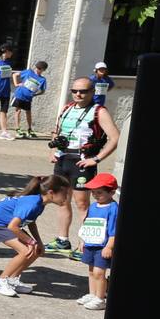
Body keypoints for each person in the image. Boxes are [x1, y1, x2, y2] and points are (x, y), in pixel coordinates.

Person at [44, 76, 120, 258]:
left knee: (82, 204)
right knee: (61, 201)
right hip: (63, 159)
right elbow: (57, 131)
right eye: (75, 91)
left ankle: (84, 245)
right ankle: (63, 240)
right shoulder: (67, 108)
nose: (78, 94)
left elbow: (115, 137)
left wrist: (97, 159)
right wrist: (53, 150)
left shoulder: (99, 111)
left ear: (92, 92)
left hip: (82, 161)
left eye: (83, 91)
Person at [0, 174, 70, 297]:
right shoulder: (32, 203)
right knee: (25, 251)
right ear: (51, 193)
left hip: (8, 224)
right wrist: (30, 242)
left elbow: (31, 222)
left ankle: (12, 279)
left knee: (36, 250)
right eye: (64, 193)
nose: (67, 197)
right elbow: (13, 226)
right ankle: (0, 281)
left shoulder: (40, 203)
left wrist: (38, 242)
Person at [75, 173, 117, 311]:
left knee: (100, 273)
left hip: (102, 246)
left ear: (111, 192)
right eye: (93, 192)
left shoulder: (113, 208)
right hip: (90, 244)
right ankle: (92, 294)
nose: (95, 195)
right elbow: (87, 224)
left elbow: (114, 231)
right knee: (91, 271)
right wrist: (82, 241)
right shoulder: (93, 206)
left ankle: (100, 298)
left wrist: (109, 247)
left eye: (99, 192)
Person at [9, 60, 48, 138]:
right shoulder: (29, 72)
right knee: (18, 111)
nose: (38, 70)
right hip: (19, 94)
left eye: (41, 69)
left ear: (43, 70)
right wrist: (16, 84)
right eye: (37, 68)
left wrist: (35, 94)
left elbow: (43, 91)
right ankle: (18, 129)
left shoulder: (42, 79)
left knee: (28, 112)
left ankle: (30, 129)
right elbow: (15, 75)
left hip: (28, 98)